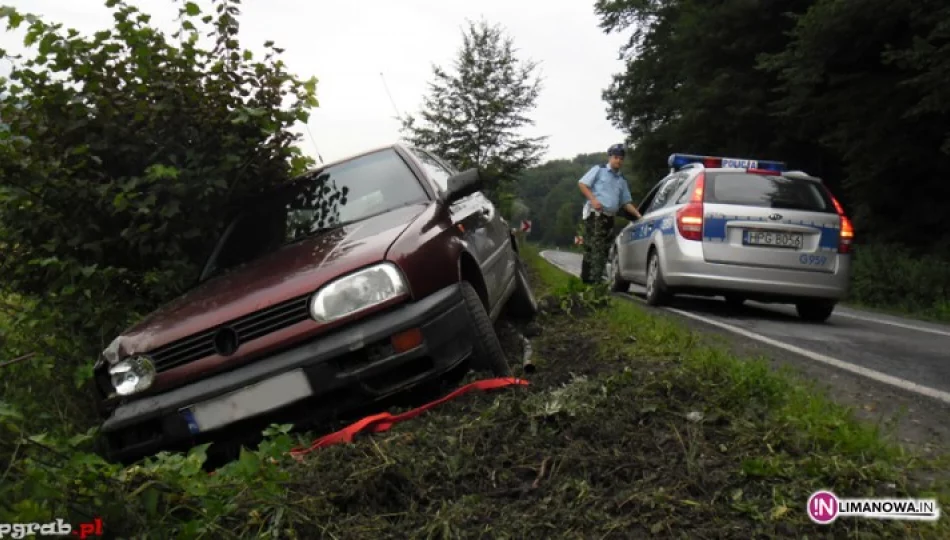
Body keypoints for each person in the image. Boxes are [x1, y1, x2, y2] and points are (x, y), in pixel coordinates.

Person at [577, 144, 642, 284]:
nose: (618, 161)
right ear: (610, 157)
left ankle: (597, 277)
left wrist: (639, 216)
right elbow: (582, 184)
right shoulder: (599, 170)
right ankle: (587, 279)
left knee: (605, 248)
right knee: (593, 245)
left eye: (621, 158)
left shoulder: (622, 180)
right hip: (596, 214)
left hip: (610, 217)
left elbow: (626, 202)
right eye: (616, 157)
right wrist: (593, 199)